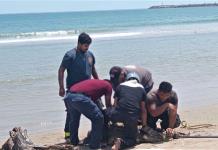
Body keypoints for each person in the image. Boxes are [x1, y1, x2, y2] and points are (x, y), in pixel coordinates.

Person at [58, 32, 99, 139]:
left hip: (89, 89)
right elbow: (61, 70)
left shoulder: (90, 55)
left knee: (98, 110)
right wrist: (61, 87)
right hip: (73, 91)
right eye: (85, 45)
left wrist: (98, 82)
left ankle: (98, 133)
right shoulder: (70, 55)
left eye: (88, 46)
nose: (87, 48)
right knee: (71, 114)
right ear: (79, 43)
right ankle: (68, 135)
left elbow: (93, 69)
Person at [64, 79, 112, 149]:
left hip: (69, 96)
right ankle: (94, 146)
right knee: (98, 118)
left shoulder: (96, 84)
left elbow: (92, 101)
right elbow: (108, 106)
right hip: (80, 97)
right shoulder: (108, 85)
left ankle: (73, 142)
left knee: (74, 119)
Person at [107, 72, 147, 150]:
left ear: (127, 79)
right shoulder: (142, 88)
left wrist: (113, 120)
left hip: (117, 114)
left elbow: (114, 105)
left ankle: (105, 132)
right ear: (138, 80)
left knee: (106, 111)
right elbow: (143, 110)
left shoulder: (120, 86)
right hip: (131, 117)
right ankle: (120, 142)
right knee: (133, 139)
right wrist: (144, 126)